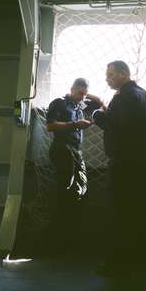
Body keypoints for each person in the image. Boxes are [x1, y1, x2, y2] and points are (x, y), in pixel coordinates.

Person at [93, 61, 146, 277]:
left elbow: (118, 126)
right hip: (139, 161)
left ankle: (117, 264)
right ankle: (139, 260)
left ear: (122, 74)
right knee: (137, 211)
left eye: (110, 75)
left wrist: (98, 116)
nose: (106, 78)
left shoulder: (123, 97)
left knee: (120, 213)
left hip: (124, 163)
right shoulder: (143, 95)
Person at [45, 78, 103, 252]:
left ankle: (68, 231)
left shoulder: (80, 105)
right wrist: (75, 124)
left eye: (84, 94)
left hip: (75, 152)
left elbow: (99, 102)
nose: (82, 97)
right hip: (62, 150)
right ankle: (60, 234)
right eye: (79, 93)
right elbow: (50, 126)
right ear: (71, 89)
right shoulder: (60, 103)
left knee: (80, 189)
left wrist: (85, 94)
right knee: (65, 191)